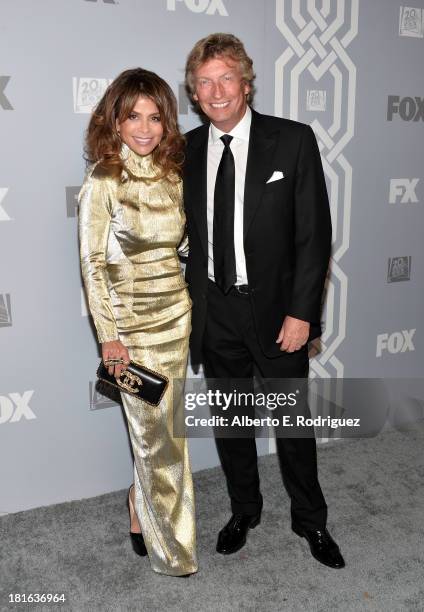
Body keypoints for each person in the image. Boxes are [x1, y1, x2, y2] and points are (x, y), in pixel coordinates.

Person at [183, 33, 345, 569]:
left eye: (226, 78)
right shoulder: (183, 150)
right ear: (194, 91)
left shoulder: (293, 141)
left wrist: (303, 314)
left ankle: (311, 520)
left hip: (280, 314)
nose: (216, 91)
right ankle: (244, 510)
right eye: (204, 82)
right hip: (215, 310)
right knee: (233, 423)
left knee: (293, 425)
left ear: (246, 84)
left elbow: (314, 236)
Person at [78, 68, 197, 577]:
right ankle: (174, 552)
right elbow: (92, 265)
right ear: (115, 120)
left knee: (166, 434)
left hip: (177, 319)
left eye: (155, 117)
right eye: (133, 117)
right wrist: (110, 339)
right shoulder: (104, 180)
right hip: (132, 333)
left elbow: (185, 247)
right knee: (158, 442)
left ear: (167, 122)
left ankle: (138, 503)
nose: (145, 129)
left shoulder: (173, 176)